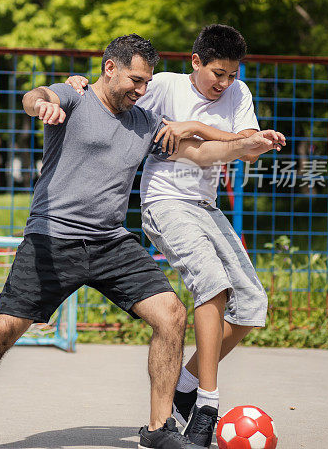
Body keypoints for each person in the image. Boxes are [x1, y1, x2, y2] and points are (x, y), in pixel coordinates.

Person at [0, 34, 284, 449]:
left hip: (111, 243)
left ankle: (159, 427)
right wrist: (43, 104)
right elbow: (32, 96)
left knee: (171, 316)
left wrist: (248, 143)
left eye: (146, 83)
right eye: (135, 80)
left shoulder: (145, 122)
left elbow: (199, 154)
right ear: (110, 68)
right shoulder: (74, 98)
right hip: (53, 237)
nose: (142, 90)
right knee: (4, 329)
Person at [64, 25, 282, 447]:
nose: (225, 83)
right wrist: (77, 84)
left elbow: (244, 143)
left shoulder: (240, 94)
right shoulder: (164, 84)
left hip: (206, 206)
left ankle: (185, 383)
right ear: (196, 62)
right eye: (217, 73)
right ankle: (206, 404)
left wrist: (208, 130)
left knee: (252, 303)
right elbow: (114, 92)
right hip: (165, 202)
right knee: (212, 284)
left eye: (233, 74)